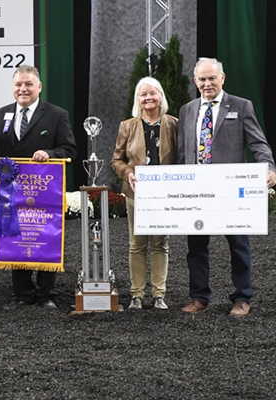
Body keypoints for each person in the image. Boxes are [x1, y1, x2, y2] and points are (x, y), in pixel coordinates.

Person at [177, 57, 276, 317]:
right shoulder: (187, 110)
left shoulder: (242, 106)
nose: (207, 83)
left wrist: (269, 167)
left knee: (238, 246)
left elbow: (258, 143)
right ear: (195, 81)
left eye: (212, 78)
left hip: (230, 191)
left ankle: (242, 298)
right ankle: (200, 298)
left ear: (222, 78)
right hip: (196, 190)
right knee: (196, 247)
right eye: (202, 79)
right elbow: (181, 154)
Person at [0, 65, 77, 310]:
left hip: (44, 193)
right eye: (19, 85)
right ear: (13, 88)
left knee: (44, 236)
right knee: (14, 239)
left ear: (39, 87)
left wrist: (50, 153)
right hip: (11, 195)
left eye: (29, 84)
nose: (23, 89)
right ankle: (21, 294)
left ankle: (46, 295)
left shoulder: (57, 115)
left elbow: (70, 149)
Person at [111, 77, 178, 311]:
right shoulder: (127, 126)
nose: (148, 98)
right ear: (137, 100)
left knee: (161, 243)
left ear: (161, 96)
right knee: (137, 244)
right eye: (143, 94)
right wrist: (128, 173)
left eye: (153, 93)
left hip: (165, 194)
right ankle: (137, 295)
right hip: (135, 193)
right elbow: (116, 159)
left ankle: (159, 295)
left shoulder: (174, 124)